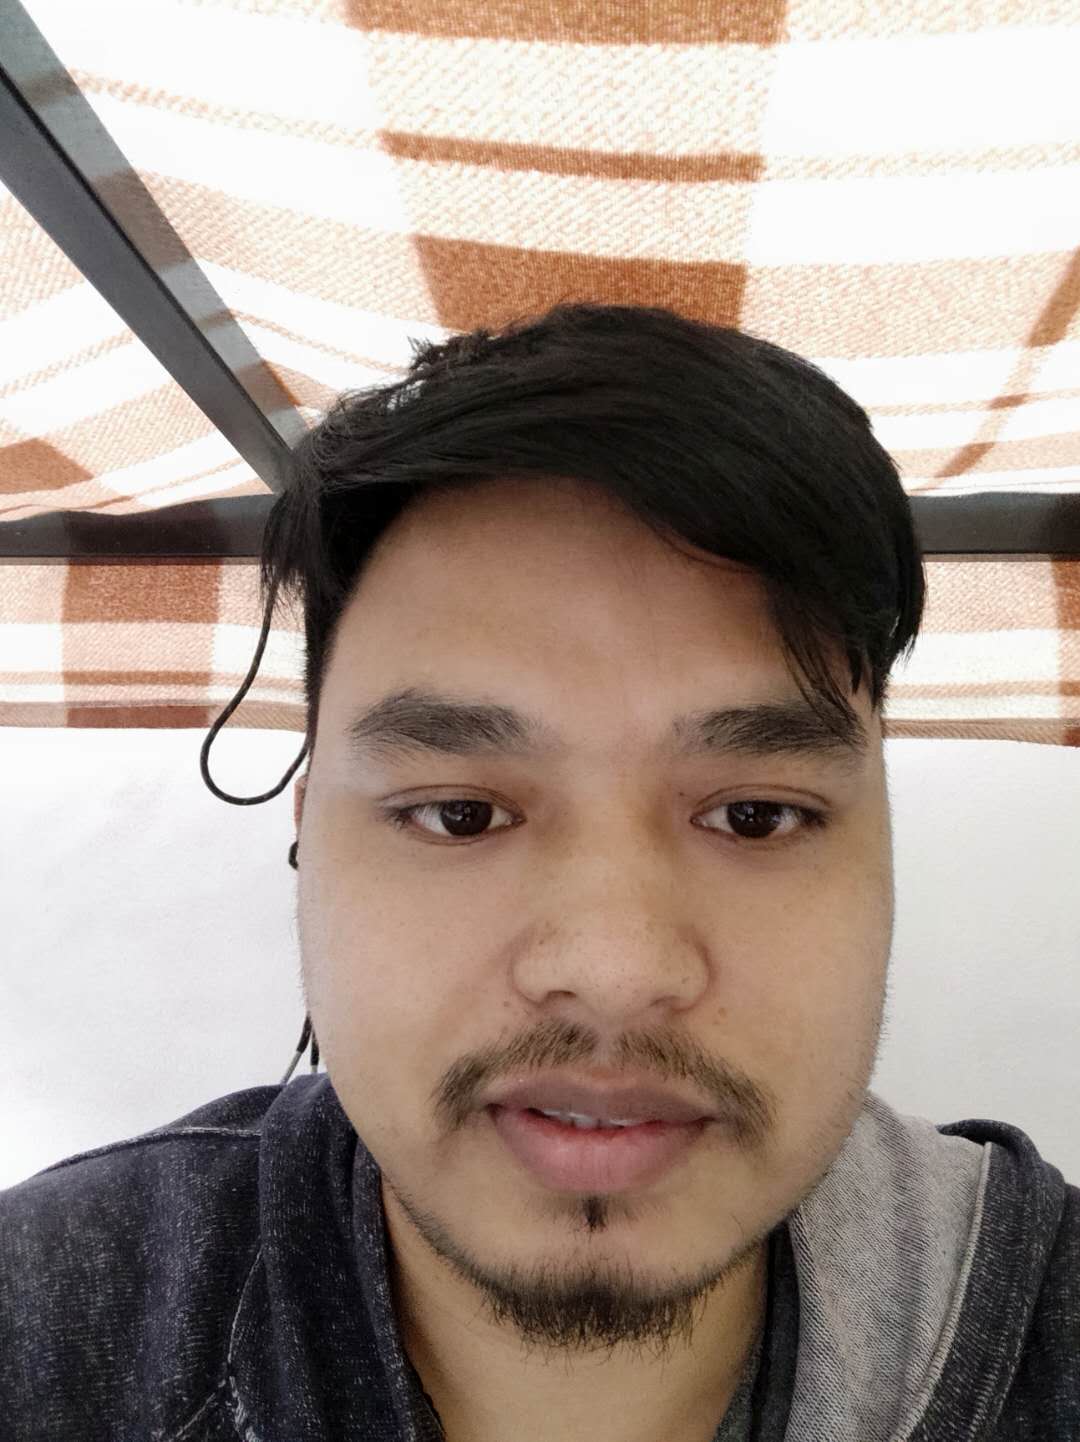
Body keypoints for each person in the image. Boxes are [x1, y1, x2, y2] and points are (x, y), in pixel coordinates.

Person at [2, 303, 1076, 1441]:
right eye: (461, 814)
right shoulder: (46, 1326)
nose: (613, 970)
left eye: (756, 815)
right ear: (308, 839)